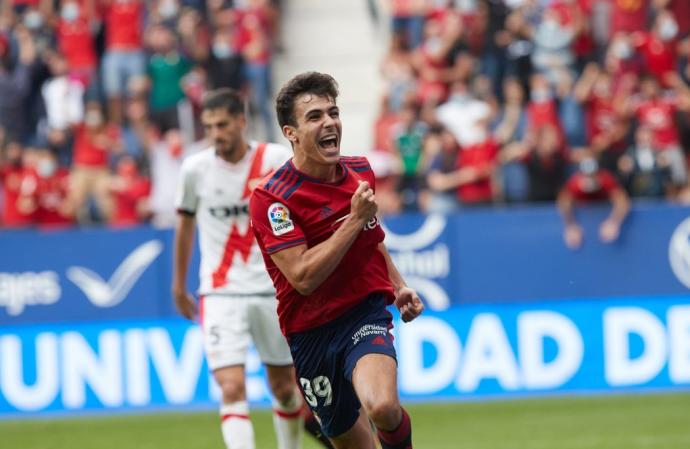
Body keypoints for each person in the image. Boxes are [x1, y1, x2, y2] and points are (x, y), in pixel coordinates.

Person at [249, 72, 424, 449]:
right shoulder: (272, 198)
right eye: (314, 117)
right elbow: (302, 276)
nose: (329, 122)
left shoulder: (360, 172)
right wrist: (355, 218)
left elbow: (372, 237)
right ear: (290, 132)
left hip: (363, 313)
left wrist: (397, 285)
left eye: (333, 112)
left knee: (382, 407)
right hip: (310, 334)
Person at [173, 88, 330, 449]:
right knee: (231, 386)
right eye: (209, 126)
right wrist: (178, 286)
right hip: (220, 291)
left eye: (223, 125)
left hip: (273, 291)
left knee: (284, 388)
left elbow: (303, 211)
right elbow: (184, 226)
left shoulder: (274, 160)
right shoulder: (195, 169)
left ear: (241, 121)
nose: (216, 134)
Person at [557, 156, 631, 250]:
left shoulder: (606, 180)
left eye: (593, 174)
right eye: (587, 175)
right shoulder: (575, 183)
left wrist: (614, 222)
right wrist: (571, 226)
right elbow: (564, 202)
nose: (590, 177)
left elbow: (622, 201)